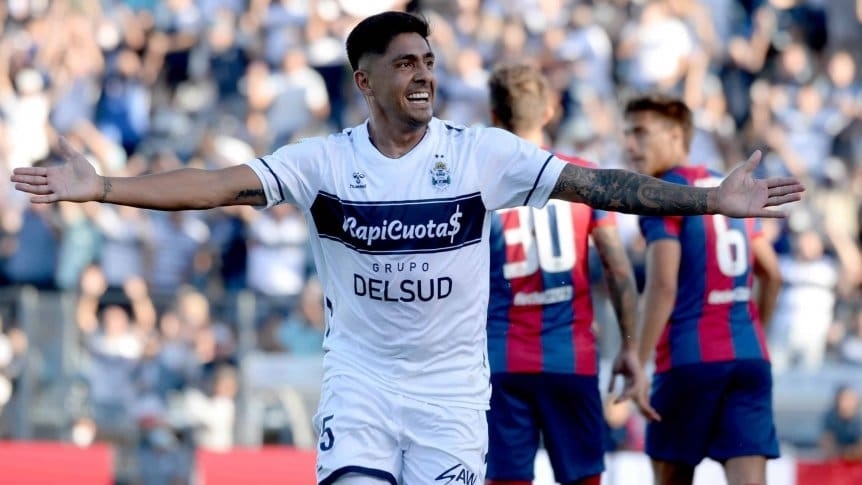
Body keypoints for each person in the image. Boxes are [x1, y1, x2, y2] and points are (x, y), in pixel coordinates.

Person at [11, 11, 803, 485]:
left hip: (451, 393)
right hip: (360, 383)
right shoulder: (325, 162)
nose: (422, 75)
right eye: (404, 65)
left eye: (428, 62)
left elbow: (601, 187)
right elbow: (218, 184)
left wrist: (711, 200)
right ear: (365, 81)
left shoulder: (481, 154)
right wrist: (103, 186)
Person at [484, 61, 657, 485]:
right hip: (571, 358)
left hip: (502, 359)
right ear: (549, 112)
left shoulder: (481, 184)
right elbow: (617, 266)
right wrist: (630, 347)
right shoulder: (582, 175)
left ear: (494, 116)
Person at [626, 93, 784, 485]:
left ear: (675, 135)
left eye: (641, 133)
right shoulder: (728, 186)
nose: (630, 145)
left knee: (671, 475)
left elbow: (663, 284)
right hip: (749, 357)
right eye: (627, 134)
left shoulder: (663, 192)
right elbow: (772, 274)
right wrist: (756, 331)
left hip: (689, 359)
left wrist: (638, 362)